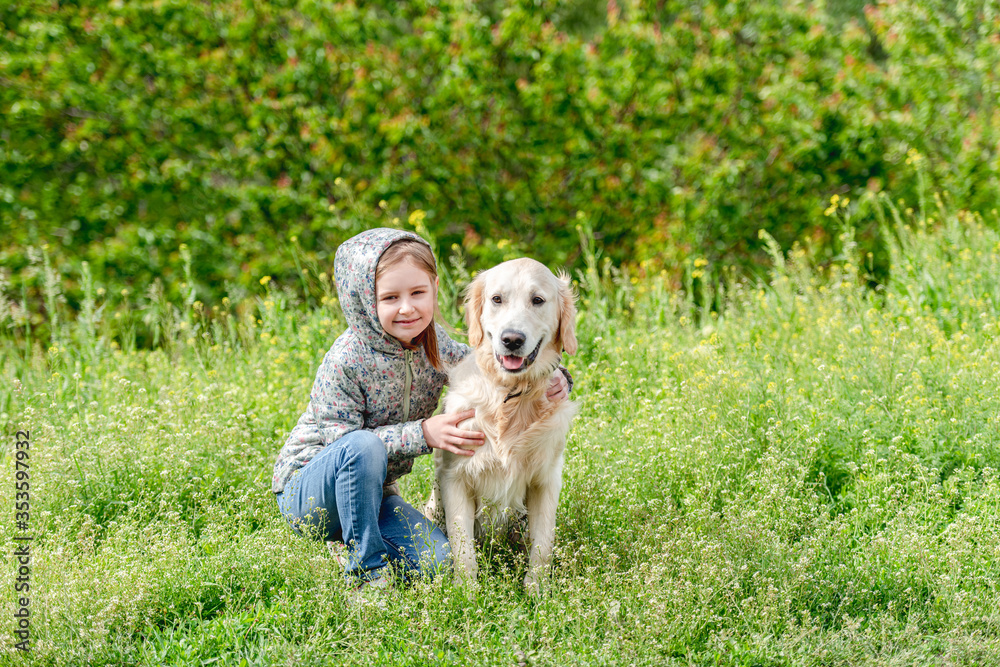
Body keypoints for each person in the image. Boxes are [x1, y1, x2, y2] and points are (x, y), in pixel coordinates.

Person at [272, 227, 570, 590]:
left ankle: (359, 535)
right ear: (365, 300)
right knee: (362, 447)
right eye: (390, 297)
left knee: (436, 562)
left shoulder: (432, 344)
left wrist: (557, 377)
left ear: (434, 290)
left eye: (418, 293)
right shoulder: (345, 360)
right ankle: (366, 574)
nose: (407, 307)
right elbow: (344, 448)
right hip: (312, 493)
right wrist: (423, 433)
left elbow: (484, 364)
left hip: (375, 496)